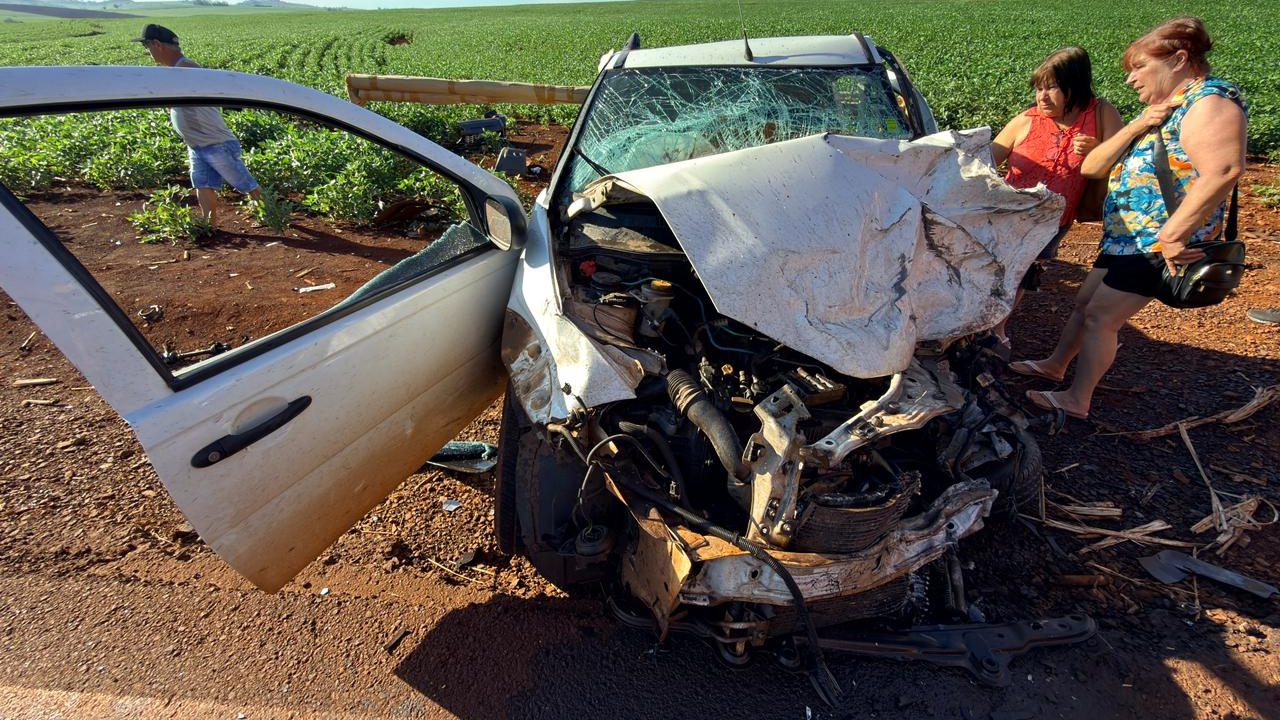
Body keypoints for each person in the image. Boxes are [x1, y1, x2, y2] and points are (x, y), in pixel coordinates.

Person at [1012, 17, 1247, 420]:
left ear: (1178, 60)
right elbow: (1093, 166)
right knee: (1085, 303)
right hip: (1129, 237)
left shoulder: (1209, 102)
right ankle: (1055, 365)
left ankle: (1078, 399)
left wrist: (1174, 234)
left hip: (1158, 240)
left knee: (1101, 317)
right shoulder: (1166, 109)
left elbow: (1225, 169)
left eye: (1139, 67)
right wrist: (1143, 121)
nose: (1130, 79)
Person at [989, 47, 1123, 346]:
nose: (1042, 97)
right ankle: (983, 327)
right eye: (1039, 88)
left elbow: (1125, 161)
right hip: (1008, 215)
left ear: (1075, 87)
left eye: (1052, 88)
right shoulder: (1026, 120)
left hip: (1054, 219)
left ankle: (996, 329)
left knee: (1024, 270)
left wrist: (1097, 151)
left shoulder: (1101, 115)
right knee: (995, 269)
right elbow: (985, 159)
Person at [136, 24, 262, 225]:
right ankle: (208, 225)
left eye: (146, 46)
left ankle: (273, 215)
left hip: (215, 142)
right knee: (203, 183)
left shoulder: (186, 69)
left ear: (157, 44)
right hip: (197, 143)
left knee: (245, 183)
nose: (147, 51)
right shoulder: (176, 71)